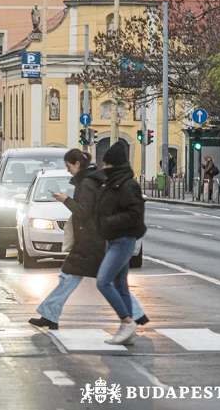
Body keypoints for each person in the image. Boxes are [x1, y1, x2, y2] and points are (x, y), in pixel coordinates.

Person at [29, 149, 147, 331]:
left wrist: (65, 200)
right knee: (94, 279)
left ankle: (134, 315)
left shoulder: (86, 182)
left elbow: (84, 211)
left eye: (69, 166)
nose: (68, 170)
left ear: (77, 164)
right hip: (93, 238)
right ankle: (50, 314)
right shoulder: (90, 180)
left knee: (80, 278)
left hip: (90, 240)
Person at [95, 141, 147, 345]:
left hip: (123, 240)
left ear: (115, 165)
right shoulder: (113, 183)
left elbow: (135, 214)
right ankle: (128, 331)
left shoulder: (128, 185)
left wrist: (108, 222)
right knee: (120, 286)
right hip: (113, 238)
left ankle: (127, 322)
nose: (104, 167)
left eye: (107, 164)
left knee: (103, 281)